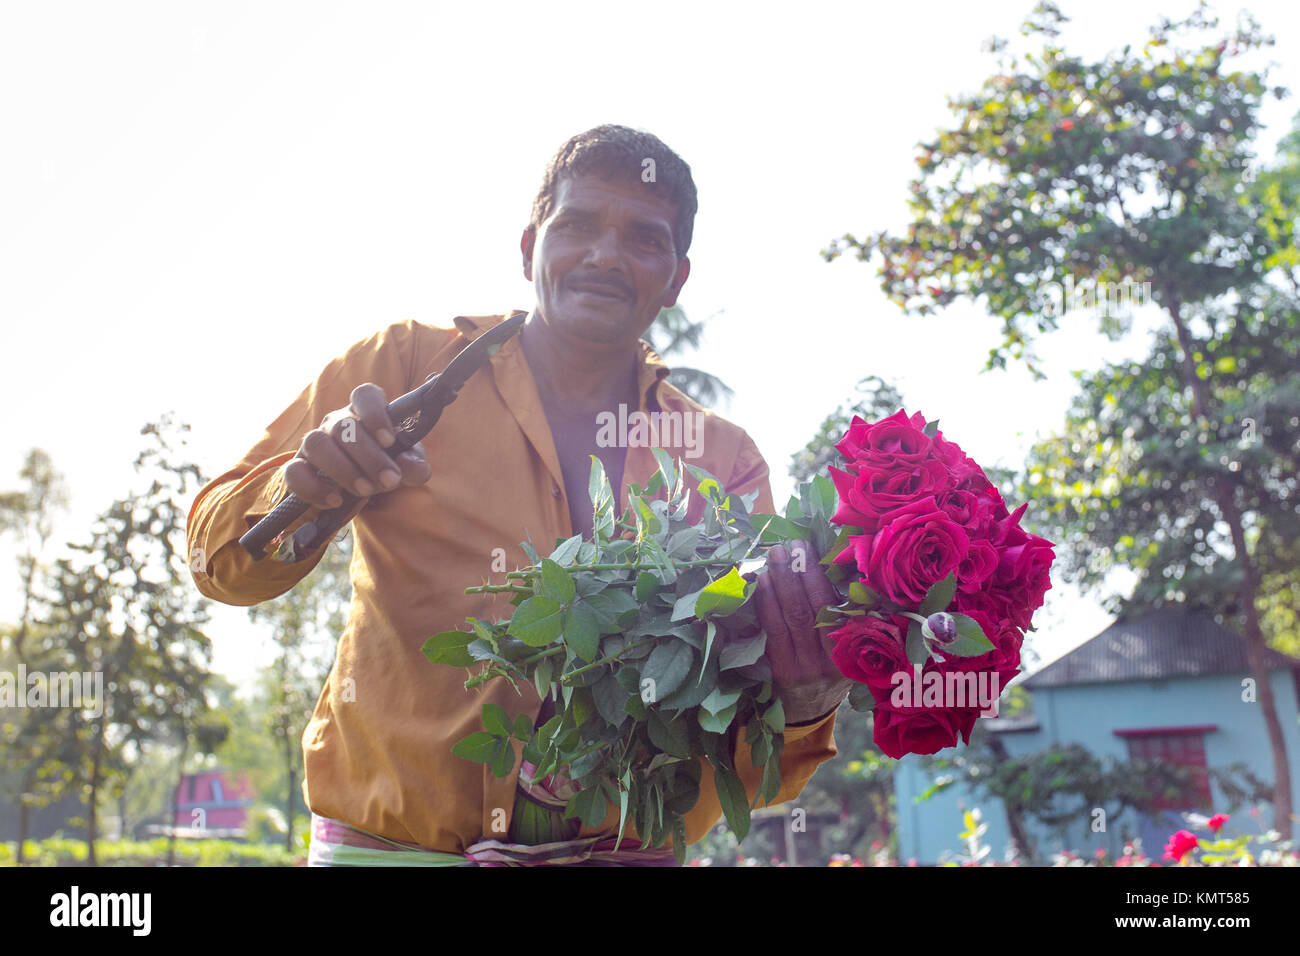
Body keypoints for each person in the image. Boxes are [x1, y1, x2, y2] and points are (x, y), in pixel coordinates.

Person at [187, 125, 852, 865]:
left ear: (676, 277)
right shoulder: (403, 368)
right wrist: (305, 492)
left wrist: (808, 698)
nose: (605, 254)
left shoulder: (722, 462)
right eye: (577, 226)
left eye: (642, 237)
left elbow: (753, 765)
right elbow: (221, 563)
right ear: (530, 247)